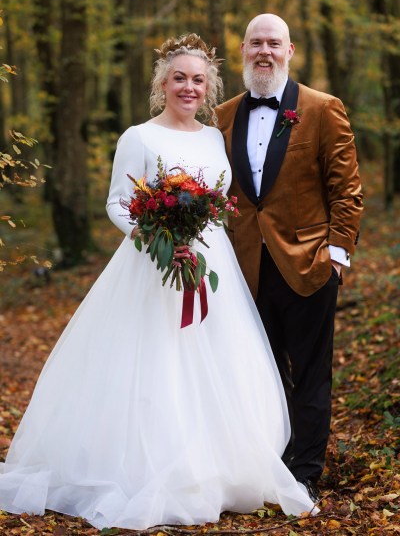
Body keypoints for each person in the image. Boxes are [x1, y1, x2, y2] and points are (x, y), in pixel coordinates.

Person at [0, 33, 317, 531]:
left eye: (197, 80)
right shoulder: (138, 137)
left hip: (213, 269)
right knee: (154, 362)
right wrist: (156, 234)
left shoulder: (215, 138)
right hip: (154, 263)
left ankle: (219, 467)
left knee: (217, 361)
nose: (188, 88)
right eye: (179, 79)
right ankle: (149, 466)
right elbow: (117, 203)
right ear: (162, 84)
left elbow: (222, 202)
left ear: (208, 87)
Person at [215, 14, 363, 503]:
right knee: (258, 373)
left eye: (273, 43)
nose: (264, 51)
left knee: (310, 374)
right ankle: (267, 466)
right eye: (255, 42)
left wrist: (337, 255)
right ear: (242, 49)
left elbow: (346, 190)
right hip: (244, 270)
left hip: (309, 264)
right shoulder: (222, 115)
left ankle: (305, 473)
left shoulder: (322, 109)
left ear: (290, 50)